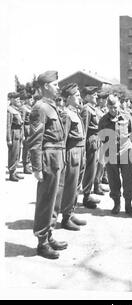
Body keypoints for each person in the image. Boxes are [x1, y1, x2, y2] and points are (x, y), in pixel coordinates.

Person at [27, 70, 67, 259]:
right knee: (46, 201)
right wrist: (37, 168)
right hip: (48, 158)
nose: (58, 87)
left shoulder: (51, 106)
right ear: (45, 86)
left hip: (58, 156)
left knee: (55, 201)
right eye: (55, 84)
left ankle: (49, 234)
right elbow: (35, 140)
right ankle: (41, 242)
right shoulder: (40, 108)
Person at [99, 95, 132, 216]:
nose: (113, 110)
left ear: (119, 105)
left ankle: (128, 204)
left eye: (115, 107)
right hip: (111, 153)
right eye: (110, 108)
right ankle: (116, 203)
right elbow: (101, 136)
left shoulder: (126, 116)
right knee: (113, 180)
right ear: (107, 107)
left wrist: (131, 145)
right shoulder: (103, 120)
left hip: (126, 151)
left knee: (128, 179)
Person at [58, 83, 87, 231]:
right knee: (70, 186)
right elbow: (63, 140)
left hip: (80, 153)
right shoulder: (66, 114)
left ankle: (70, 212)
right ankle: (65, 218)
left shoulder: (75, 112)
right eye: (76, 96)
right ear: (68, 98)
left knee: (77, 186)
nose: (79, 98)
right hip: (72, 153)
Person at [80, 86, 102, 209]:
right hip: (90, 142)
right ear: (87, 96)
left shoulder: (92, 109)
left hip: (95, 140)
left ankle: (88, 193)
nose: (96, 97)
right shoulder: (86, 110)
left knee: (93, 169)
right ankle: (86, 196)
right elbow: (83, 130)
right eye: (94, 95)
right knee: (89, 170)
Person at [7, 92, 24, 181]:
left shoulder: (16, 109)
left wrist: (22, 134)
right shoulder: (9, 110)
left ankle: (14, 171)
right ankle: (11, 173)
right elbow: (8, 125)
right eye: (16, 99)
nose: (18, 100)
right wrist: (9, 139)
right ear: (12, 99)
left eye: (18, 99)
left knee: (17, 154)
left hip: (19, 133)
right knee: (13, 154)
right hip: (13, 133)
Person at [20, 92, 33, 174]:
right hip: (26, 130)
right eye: (30, 99)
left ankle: (28, 165)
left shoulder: (30, 108)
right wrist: (23, 134)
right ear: (27, 100)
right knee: (26, 149)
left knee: (30, 149)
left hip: (31, 130)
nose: (32, 101)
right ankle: (26, 167)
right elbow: (22, 121)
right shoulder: (24, 108)